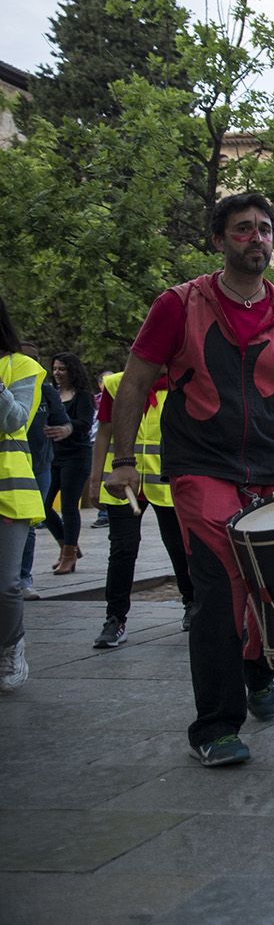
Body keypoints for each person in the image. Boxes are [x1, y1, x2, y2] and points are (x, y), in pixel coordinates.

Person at [107, 193, 274, 766]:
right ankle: (216, 726)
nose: (257, 238)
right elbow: (135, 382)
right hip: (201, 467)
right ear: (219, 240)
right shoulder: (178, 305)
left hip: (273, 469)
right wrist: (123, 459)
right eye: (243, 228)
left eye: (265, 229)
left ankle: (258, 668)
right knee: (221, 589)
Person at [85, 366, 195, 646]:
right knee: (122, 549)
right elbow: (104, 431)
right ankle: (115, 618)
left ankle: (191, 603)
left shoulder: (180, 381)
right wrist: (95, 478)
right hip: (122, 482)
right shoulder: (115, 384)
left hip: (165, 482)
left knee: (179, 547)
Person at [0, 296, 45, 692]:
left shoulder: (21, 366)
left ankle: (11, 646)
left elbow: (15, 419)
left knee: (6, 583)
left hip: (8, 490)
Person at [16, 342, 67, 600]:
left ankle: (23, 579)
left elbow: (64, 422)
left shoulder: (46, 390)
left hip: (39, 465)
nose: (31, 364)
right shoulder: (9, 385)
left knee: (29, 523)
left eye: (35, 359)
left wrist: (63, 430)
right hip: (12, 464)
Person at [42, 352, 95, 575]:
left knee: (68, 506)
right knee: (43, 506)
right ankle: (67, 545)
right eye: (55, 368)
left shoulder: (83, 396)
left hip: (76, 456)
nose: (57, 373)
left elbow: (85, 423)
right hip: (53, 456)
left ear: (72, 371)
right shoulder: (50, 394)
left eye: (62, 369)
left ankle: (68, 555)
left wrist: (68, 428)